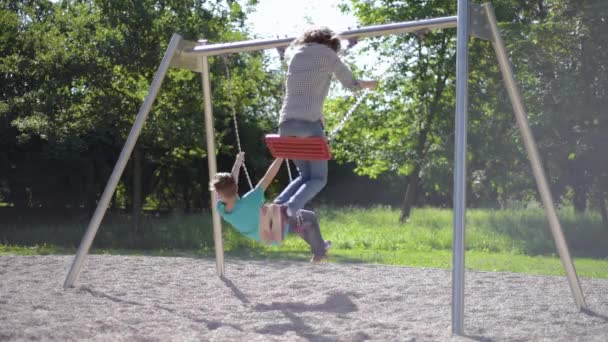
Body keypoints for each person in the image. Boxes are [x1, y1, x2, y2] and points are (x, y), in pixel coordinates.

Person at [273, 26, 378, 227]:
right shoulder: (328, 56)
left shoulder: (297, 55)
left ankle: (278, 205)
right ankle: (289, 209)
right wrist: (371, 84)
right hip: (308, 126)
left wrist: (349, 47)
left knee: (306, 176)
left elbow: (321, 67)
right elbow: (351, 83)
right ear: (332, 43)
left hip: (285, 126)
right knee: (318, 179)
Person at [210, 152, 330, 262]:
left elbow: (230, 186)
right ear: (235, 187)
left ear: (220, 194)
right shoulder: (250, 200)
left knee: (281, 204)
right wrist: (281, 156)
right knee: (309, 217)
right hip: (277, 231)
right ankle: (319, 252)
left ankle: (311, 239)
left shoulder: (222, 209)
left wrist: (237, 164)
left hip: (269, 223)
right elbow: (268, 177)